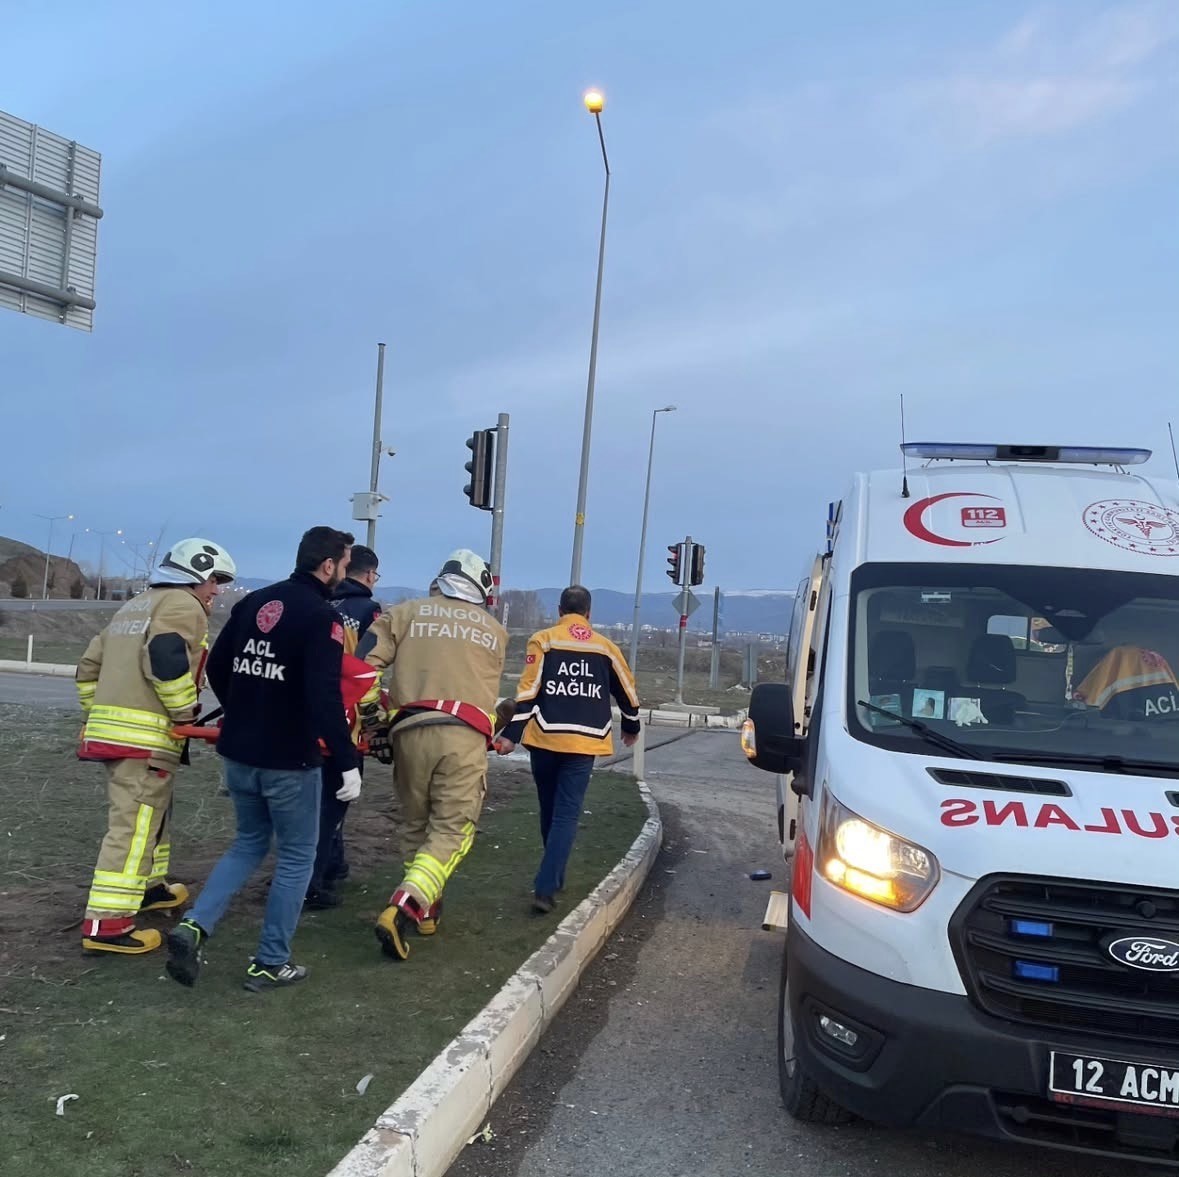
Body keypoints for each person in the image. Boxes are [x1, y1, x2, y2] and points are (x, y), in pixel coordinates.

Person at [164, 527, 360, 993]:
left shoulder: (255, 602)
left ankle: (195, 925)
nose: (345, 572)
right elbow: (324, 695)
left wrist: (245, 708)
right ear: (328, 566)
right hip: (289, 758)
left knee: (248, 842)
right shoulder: (323, 617)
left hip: (239, 751)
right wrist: (347, 759)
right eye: (345, 564)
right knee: (296, 855)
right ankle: (271, 960)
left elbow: (218, 666)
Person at [75, 538, 237, 955]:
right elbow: (165, 658)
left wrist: (99, 716)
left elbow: (87, 668)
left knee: (153, 818)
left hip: (118, 737)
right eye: (214, 581)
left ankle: (149, 888)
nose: (216, 590)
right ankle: (107, 925)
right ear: (195, 576)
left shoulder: (133, 606)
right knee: (133, 827)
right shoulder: (183, 605)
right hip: (147, 740)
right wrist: (184, 713)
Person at [358, 549, 507, 960]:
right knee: (452, 831)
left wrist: (373, 721)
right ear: (482, 591)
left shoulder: (404, 613)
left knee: (415, 825)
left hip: (408, 732)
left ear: (440, 581)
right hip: (464, 736)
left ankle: (427, 911)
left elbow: (361, 667)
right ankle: (405, 907)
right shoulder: (495, 631)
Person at [498, 585, 641, 914]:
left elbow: (528, 692)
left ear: (560, 611)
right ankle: (548, 885)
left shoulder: (543, 640)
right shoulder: (605, 647)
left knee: (549, 809)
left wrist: (511, 735)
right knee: (566, 814)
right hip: (583, 743)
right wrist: (631, 726)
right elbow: (628, 692)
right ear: (589, 613)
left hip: (545, 740)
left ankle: (551, 878)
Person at [305, 544, 383, 908]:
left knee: (315, 799)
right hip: (346, 714)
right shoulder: (368, 610)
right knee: (336, 800)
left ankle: (332, 863)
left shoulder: (322, 603)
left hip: (308, 710)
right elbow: (368, 667)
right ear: (368, 575)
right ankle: (315, 876)